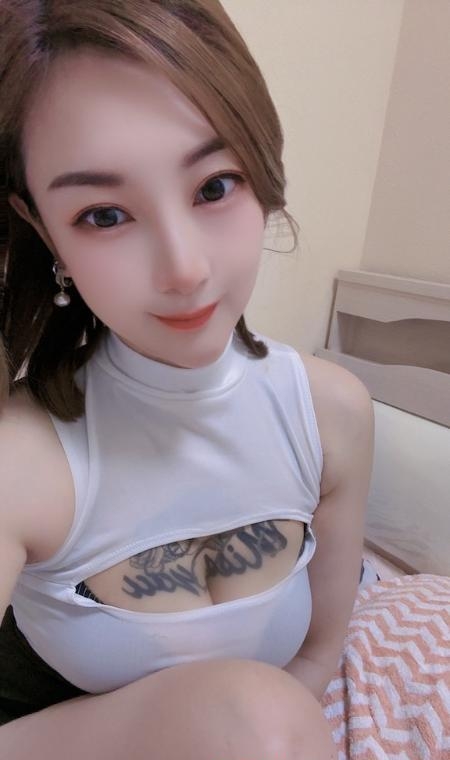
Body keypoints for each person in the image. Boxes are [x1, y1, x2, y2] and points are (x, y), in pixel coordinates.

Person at [0, 1, 375, 757]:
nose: (185, 269)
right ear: (44, 230)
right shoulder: (24, 458)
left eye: (213, 186)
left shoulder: (331, 416)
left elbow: (315, 658)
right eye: (105, 215)